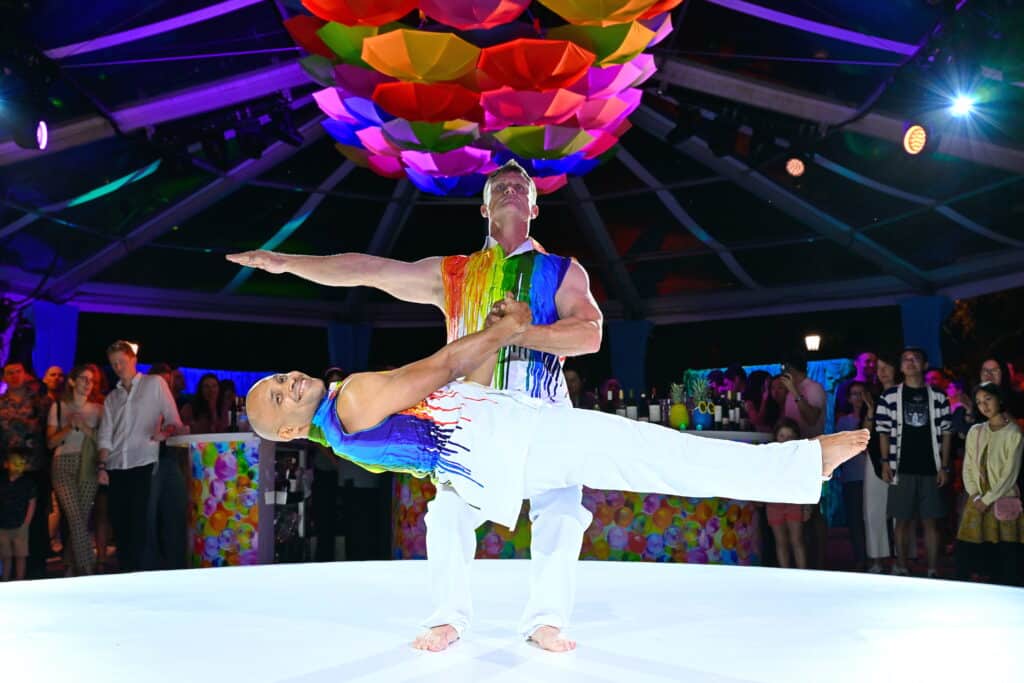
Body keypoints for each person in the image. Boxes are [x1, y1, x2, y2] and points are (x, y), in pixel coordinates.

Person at [245, 295, 869, 648]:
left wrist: (494, 337)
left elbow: (451, 391)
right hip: (510, 440)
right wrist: (508, 332)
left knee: (464, 517)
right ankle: (806, 462)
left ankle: (493, 619)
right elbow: (435, 371)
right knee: (654, 453)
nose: (286, 383)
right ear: (293, 432)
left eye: (276, 380)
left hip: (477, 457)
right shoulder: (349, 396)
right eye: (278, 399)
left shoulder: (339, 426)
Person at [229, 160, 603, 653]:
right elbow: (368, 270)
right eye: (500, 186)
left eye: (521, 187)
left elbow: (590, 335)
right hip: (473, 414)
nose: (512, 189)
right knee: (447, 515)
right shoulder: (454, 273)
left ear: (534, 207)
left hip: (543, 407)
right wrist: (287, 263)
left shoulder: (561, 270)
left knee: (560, 506)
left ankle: (547, 620)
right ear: (484, 207)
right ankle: (448, 618)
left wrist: (518, 332)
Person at [97, 341, 185, 573]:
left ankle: (143, 575)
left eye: (121, 362)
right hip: (117, 464)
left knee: (141, 524)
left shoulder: (154, 384)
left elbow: (174, 420)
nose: (118, 367)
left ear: (133, 360)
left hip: (143, 460)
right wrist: (102, 466)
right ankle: (127, 573)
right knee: (120, 524)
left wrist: (163, 433)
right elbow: (105, 435)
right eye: (113, 363)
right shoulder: (112, 398)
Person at [876, 347, 953, 578]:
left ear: (925, 365)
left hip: (931, 466)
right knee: (902, 521)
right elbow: (882, 431)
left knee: (931, 522)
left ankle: (932, 569)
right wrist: (884, 462)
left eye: (915, 359)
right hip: (901, 466)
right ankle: (901, 566)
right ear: (900, 367)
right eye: (905, 360)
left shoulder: (938, 396)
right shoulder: (889, 397)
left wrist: (945, 466)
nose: (910, 363)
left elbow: (947, 432)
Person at [954, 383, 1022, 585]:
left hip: (1003, 501)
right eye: (979, 402)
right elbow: (968, 467)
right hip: (976, 501)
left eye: (988, 399)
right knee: (969, 555)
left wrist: (988, 499)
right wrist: (975, 495)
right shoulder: (976, 430)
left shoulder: (1014, 433)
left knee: (1005, 558)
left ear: (999, 399)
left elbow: (1009, 474)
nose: (984, 406)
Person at [46, 365, 102, 576]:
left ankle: (70, 566)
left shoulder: (98, 409)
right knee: (74, 515)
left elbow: (103, 442)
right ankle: (88, 569)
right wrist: (69, 426)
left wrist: (85, 427)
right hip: (62, 463)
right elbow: (50, 443)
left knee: (80, 517)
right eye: (83, 379)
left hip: (88, 463)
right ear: (72, 381)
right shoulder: (58, 407)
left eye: (91, 380)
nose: (88, 383)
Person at [0, 360, 50, 578]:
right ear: (4, 377)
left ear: (25, 374)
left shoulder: (40, 401)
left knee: (36, 518)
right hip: (8, 469)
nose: (14, 376)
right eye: (9, 373)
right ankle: (8, 569)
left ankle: (36, 567)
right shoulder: (1, 403)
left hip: (35, 467)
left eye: (17, 372)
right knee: (8, 515)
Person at [763, 418, 811, 569]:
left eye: (790, 437)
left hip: (794, 503)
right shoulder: (770, 457)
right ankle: (786, 574)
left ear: (796, 439)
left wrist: (808, 506)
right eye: (782, 436)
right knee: (781, 542)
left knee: (797, 540)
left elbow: (806, 481)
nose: (785, 440)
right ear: (776, 437)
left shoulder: (800, 458)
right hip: (774, 504)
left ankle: (802, 574)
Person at [835, 382, 871, 571]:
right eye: (854, 394)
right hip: (851, 475)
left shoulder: (873, 417)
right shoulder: (843, 422)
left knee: (871, 518)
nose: (858, 398)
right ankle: (860, 557)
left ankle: (875, 556)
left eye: (861, 393)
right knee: (855, 520)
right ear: (849, 398)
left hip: (871, 475)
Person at [0, 449, 37, 581]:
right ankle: (5, 580)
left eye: (20, 463)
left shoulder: (28, 483)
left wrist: (26, 522)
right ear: (6, 464)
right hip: (3, 525)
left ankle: (20, 581)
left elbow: (32, 503)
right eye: (13, 462)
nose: (17, 466)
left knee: (20, 555)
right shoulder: (2, 481)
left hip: (20, 525)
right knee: (5, 555)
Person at [835, 352, 879, 417]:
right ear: (856, 363)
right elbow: (839, 411)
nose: (872, 365)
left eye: (875, 362)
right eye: (867, 361)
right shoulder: (844, 386)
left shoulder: (878, 386)